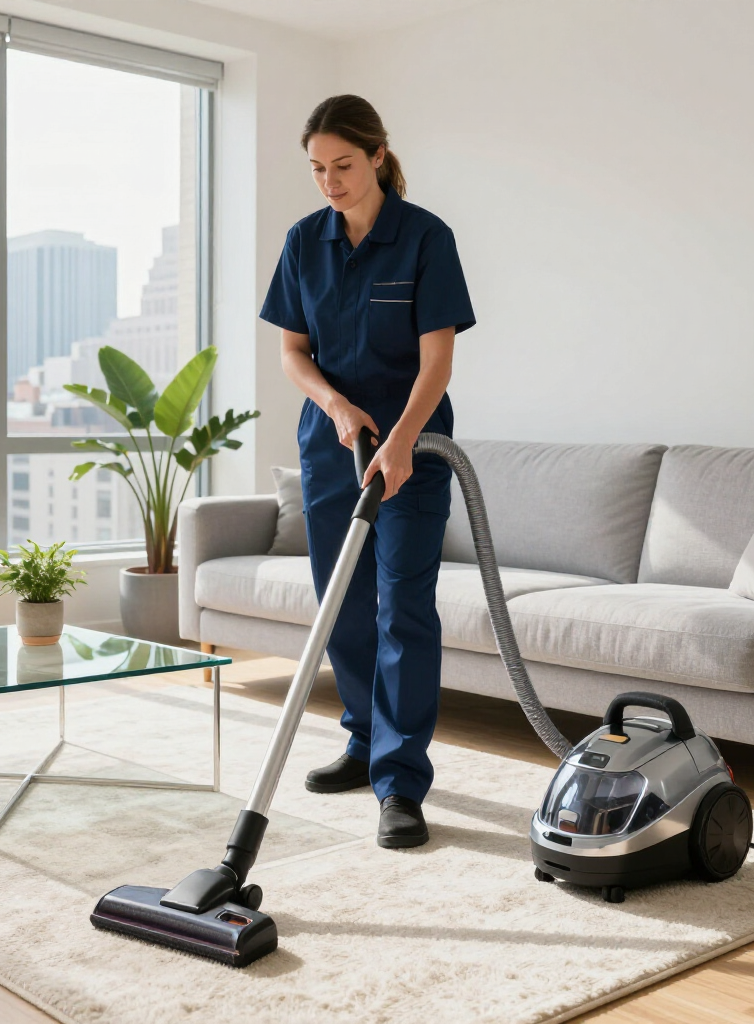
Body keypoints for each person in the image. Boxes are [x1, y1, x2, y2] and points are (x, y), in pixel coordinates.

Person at [259, 95, 475, 849]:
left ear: (378, 156)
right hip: (332, 447)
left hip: (410, 453)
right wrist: (337, 407)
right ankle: (362, 741)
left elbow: (437, 359)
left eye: (343, 166)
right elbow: (292, 351)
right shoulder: (303, 242)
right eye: (317, 168)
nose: (330, 181)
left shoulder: (424, 238)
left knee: (402, 610)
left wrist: (402, 439)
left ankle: (401, 782)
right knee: (340, 604)